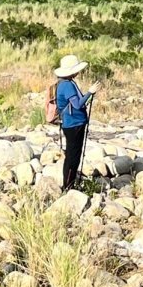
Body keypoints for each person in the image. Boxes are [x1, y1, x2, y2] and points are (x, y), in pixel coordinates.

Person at [54, 54, 102, 192]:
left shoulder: (64, 83)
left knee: (71, 155)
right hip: (74, 125)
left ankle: (69, 184)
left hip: (71, 124)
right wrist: (90, 92)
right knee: (73, 157)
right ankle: (68, 187)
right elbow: (78, 104)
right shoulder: (68, 85)